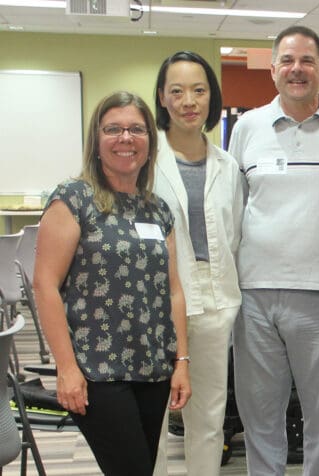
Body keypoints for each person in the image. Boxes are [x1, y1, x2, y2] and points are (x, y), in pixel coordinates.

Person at [228, 25, 319, 475]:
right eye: (288, 61)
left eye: (307, 61)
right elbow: (233, 209)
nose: (297, 70)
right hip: (253, 294)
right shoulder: (247, 126)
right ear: (273, 69)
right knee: (260, 416)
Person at [33, 91, 191, 475]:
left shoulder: (157, 208)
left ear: (150, 142)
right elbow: (45, 285)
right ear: (96, 140)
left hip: (152, 368)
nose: (125, 138)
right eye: (113, 129)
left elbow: (172, 289)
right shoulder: (73, 199)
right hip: (97, 370)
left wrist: (181, 362)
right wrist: (66, 368)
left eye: (137, 129)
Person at [151, 51, 243, 476]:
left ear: (212, 97)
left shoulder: (229, 167)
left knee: (207, 415)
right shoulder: (143, 164)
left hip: (214, 300)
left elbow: (236, 236)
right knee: (150, 417)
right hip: (153, 305)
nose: (189, 100)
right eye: (177, 91)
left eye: (199, 90)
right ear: (162, 98)